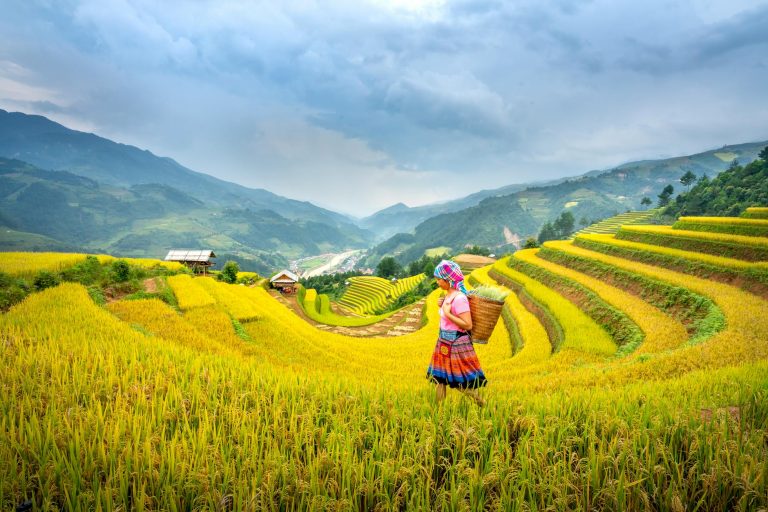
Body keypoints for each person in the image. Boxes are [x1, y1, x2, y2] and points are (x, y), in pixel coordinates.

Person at [426, 260, 487, 406]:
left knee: (459, 383)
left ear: (448, 280)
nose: (437, 282)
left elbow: (467, 324)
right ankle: (438, 412)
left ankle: (483, 404)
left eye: (439, 279)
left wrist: (447, 313)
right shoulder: (448, 296)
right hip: (443, 342)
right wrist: (442, 306)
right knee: (438, 379)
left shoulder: (460, 298)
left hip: (456, 344)